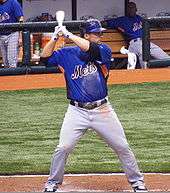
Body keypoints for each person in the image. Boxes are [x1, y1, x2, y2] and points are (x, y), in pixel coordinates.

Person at [41, 19, 148, 192]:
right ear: (86, 35)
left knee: (122, 146)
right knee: (63, 147)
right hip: (76, 111)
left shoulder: (104, 50)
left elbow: (91, 49)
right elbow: (44, 59)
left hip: (102, 110)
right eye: (97, 33)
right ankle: (52, 183)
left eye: (100, 32)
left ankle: (137, 182)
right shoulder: (67, 54)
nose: (100, 35)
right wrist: (54, 38)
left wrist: (68, 35)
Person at [106, 1, 170, 69]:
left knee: (165, 57)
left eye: (132, 8)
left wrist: (159, 25)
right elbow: (106, 23)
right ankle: (146, 73)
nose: (130, 9)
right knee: (143, 54)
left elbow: (151, 24)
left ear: (136, 9)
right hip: (134, 43)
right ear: (126, 10)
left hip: (146, 42)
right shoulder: (122, 20)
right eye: (129, 8)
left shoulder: (139, 18)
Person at [0, 0, 24, 68]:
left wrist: (20, 37)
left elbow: (21, 19)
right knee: (5, 63)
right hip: (1, 35)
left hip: (13, 34)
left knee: (12, 61)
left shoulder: (13, 2)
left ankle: (14, 78)